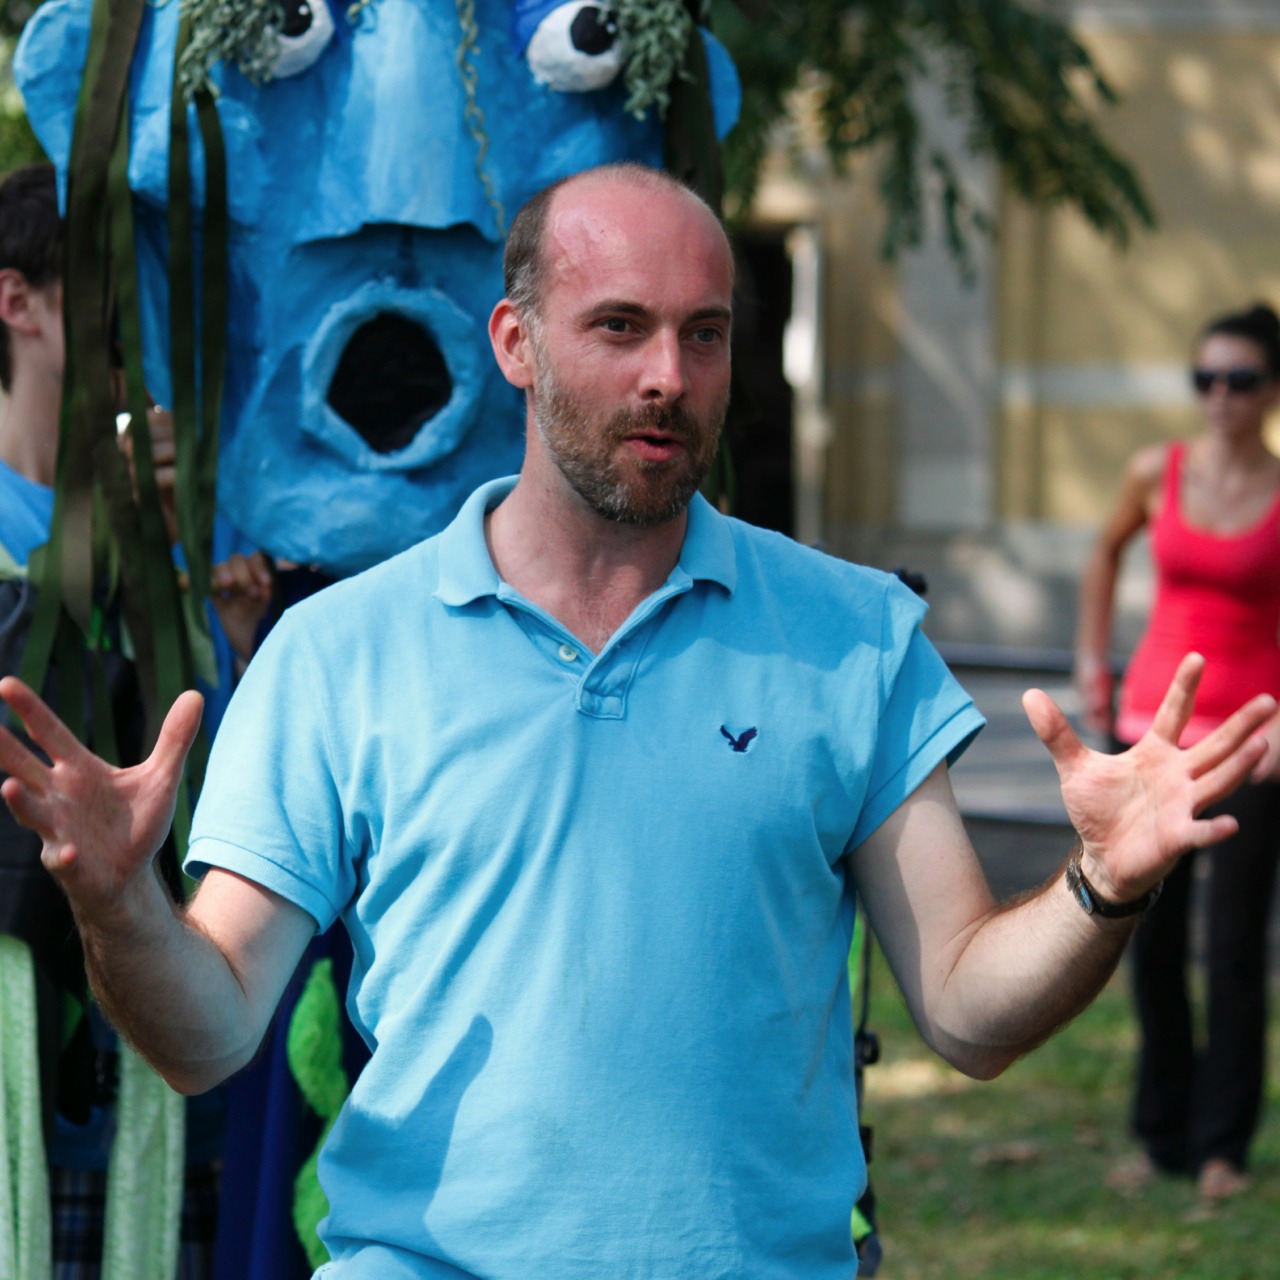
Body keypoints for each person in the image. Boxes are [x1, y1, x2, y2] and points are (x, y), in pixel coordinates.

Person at [1, 163, 1275, 1279]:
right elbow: (207, 1032)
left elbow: (964, 1007)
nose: (668, 376)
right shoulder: (341, 652)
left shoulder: (848, 634)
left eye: (703, 334)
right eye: (618, 326)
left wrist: (1098, 882)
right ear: (515, 341)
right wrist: (119, 903)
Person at [0, 161, 271, 1277]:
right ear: (15, 299)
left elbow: (250, 817)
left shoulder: (193, 525)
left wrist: (234, 622)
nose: (146, 331)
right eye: (119, 288)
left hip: (175, 1082)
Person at [1075, 301, 1280, 1203]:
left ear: (1271, 390)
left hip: (1251, 746)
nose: (1221, 397)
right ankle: (1160, 1136)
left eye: (1240, 380)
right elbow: (1105, 552)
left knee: (1232, 952)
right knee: (1147, 942)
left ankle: (1222, 1148)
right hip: (1149, 733)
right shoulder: (1155, 472)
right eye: (1207, 379)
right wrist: (1092, 658)